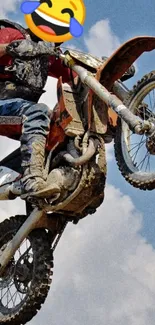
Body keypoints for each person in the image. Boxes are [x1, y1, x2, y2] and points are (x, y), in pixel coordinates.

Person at [0, 19, 75, 198]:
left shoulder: (46, 55)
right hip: (5, 105)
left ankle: (16, 176)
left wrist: (107, 72)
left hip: (16, 113)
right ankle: (32, 179)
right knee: (37, 112)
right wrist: (11, 48)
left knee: (58, 126)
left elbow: (73, 74)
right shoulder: (12, 34)